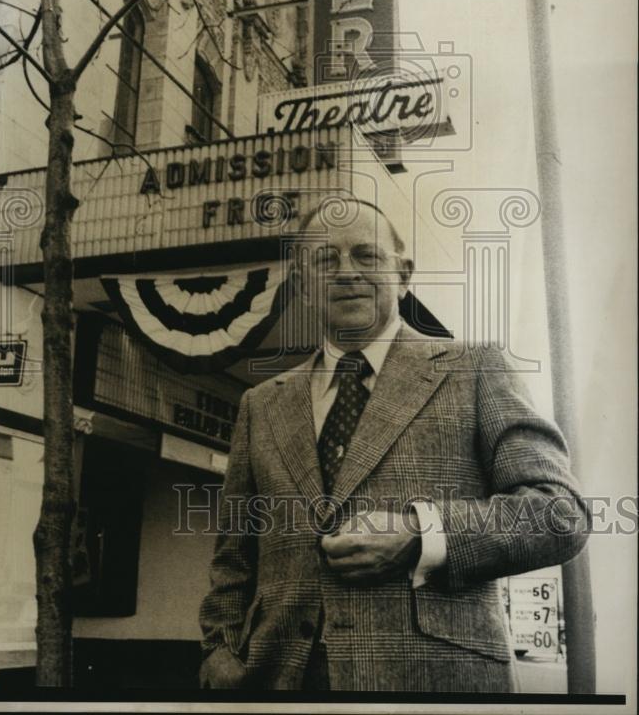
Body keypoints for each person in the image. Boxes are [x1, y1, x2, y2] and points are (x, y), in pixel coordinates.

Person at [198, 197, 589, 692]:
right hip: (275, 685)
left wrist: (419, 536)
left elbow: (560, 514)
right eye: (326, 259)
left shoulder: (474, 369)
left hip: (432, 684)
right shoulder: (260, 404)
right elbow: (234, 555)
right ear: (302, 287)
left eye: (367, 256)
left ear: (403, 275)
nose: (346, 273)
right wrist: (217, 649)